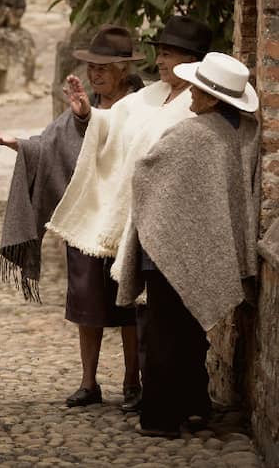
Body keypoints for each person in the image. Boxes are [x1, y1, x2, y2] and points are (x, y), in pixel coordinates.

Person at [45, 15, 212, 411]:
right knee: (144, 310)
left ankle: (166, 395)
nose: (160, 62)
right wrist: (85, 113)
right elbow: (112, 122)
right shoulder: (153, 94)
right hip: (136, 213)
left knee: (164, 317)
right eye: (160, 54)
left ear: (191, 61)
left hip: (170, 220)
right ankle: (152, 394)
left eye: (168, 55)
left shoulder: (197, 103)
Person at [0, 25, 144, 409]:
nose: (95, 74)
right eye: (92, 67)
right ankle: (89, 382)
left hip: (126, 219)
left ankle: (132, 383)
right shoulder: (81, 108)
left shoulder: (143, 107)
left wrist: (89, 116)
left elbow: (127, 142)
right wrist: (17, 144)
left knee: (130, 305)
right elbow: (49, 145)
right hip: (85, 218)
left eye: (103, 67)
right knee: (87, 304)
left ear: (123, 68)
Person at [113, 52, 260, 437]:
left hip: (169, 250)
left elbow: (146, 174)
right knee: (192, 334)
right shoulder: (243, 132)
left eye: (196, 89)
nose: (190, 93)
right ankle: (194, 406)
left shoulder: (190, 134)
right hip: (210, 250)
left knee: (163, 333)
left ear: (212, 98)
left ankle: (160, 418)